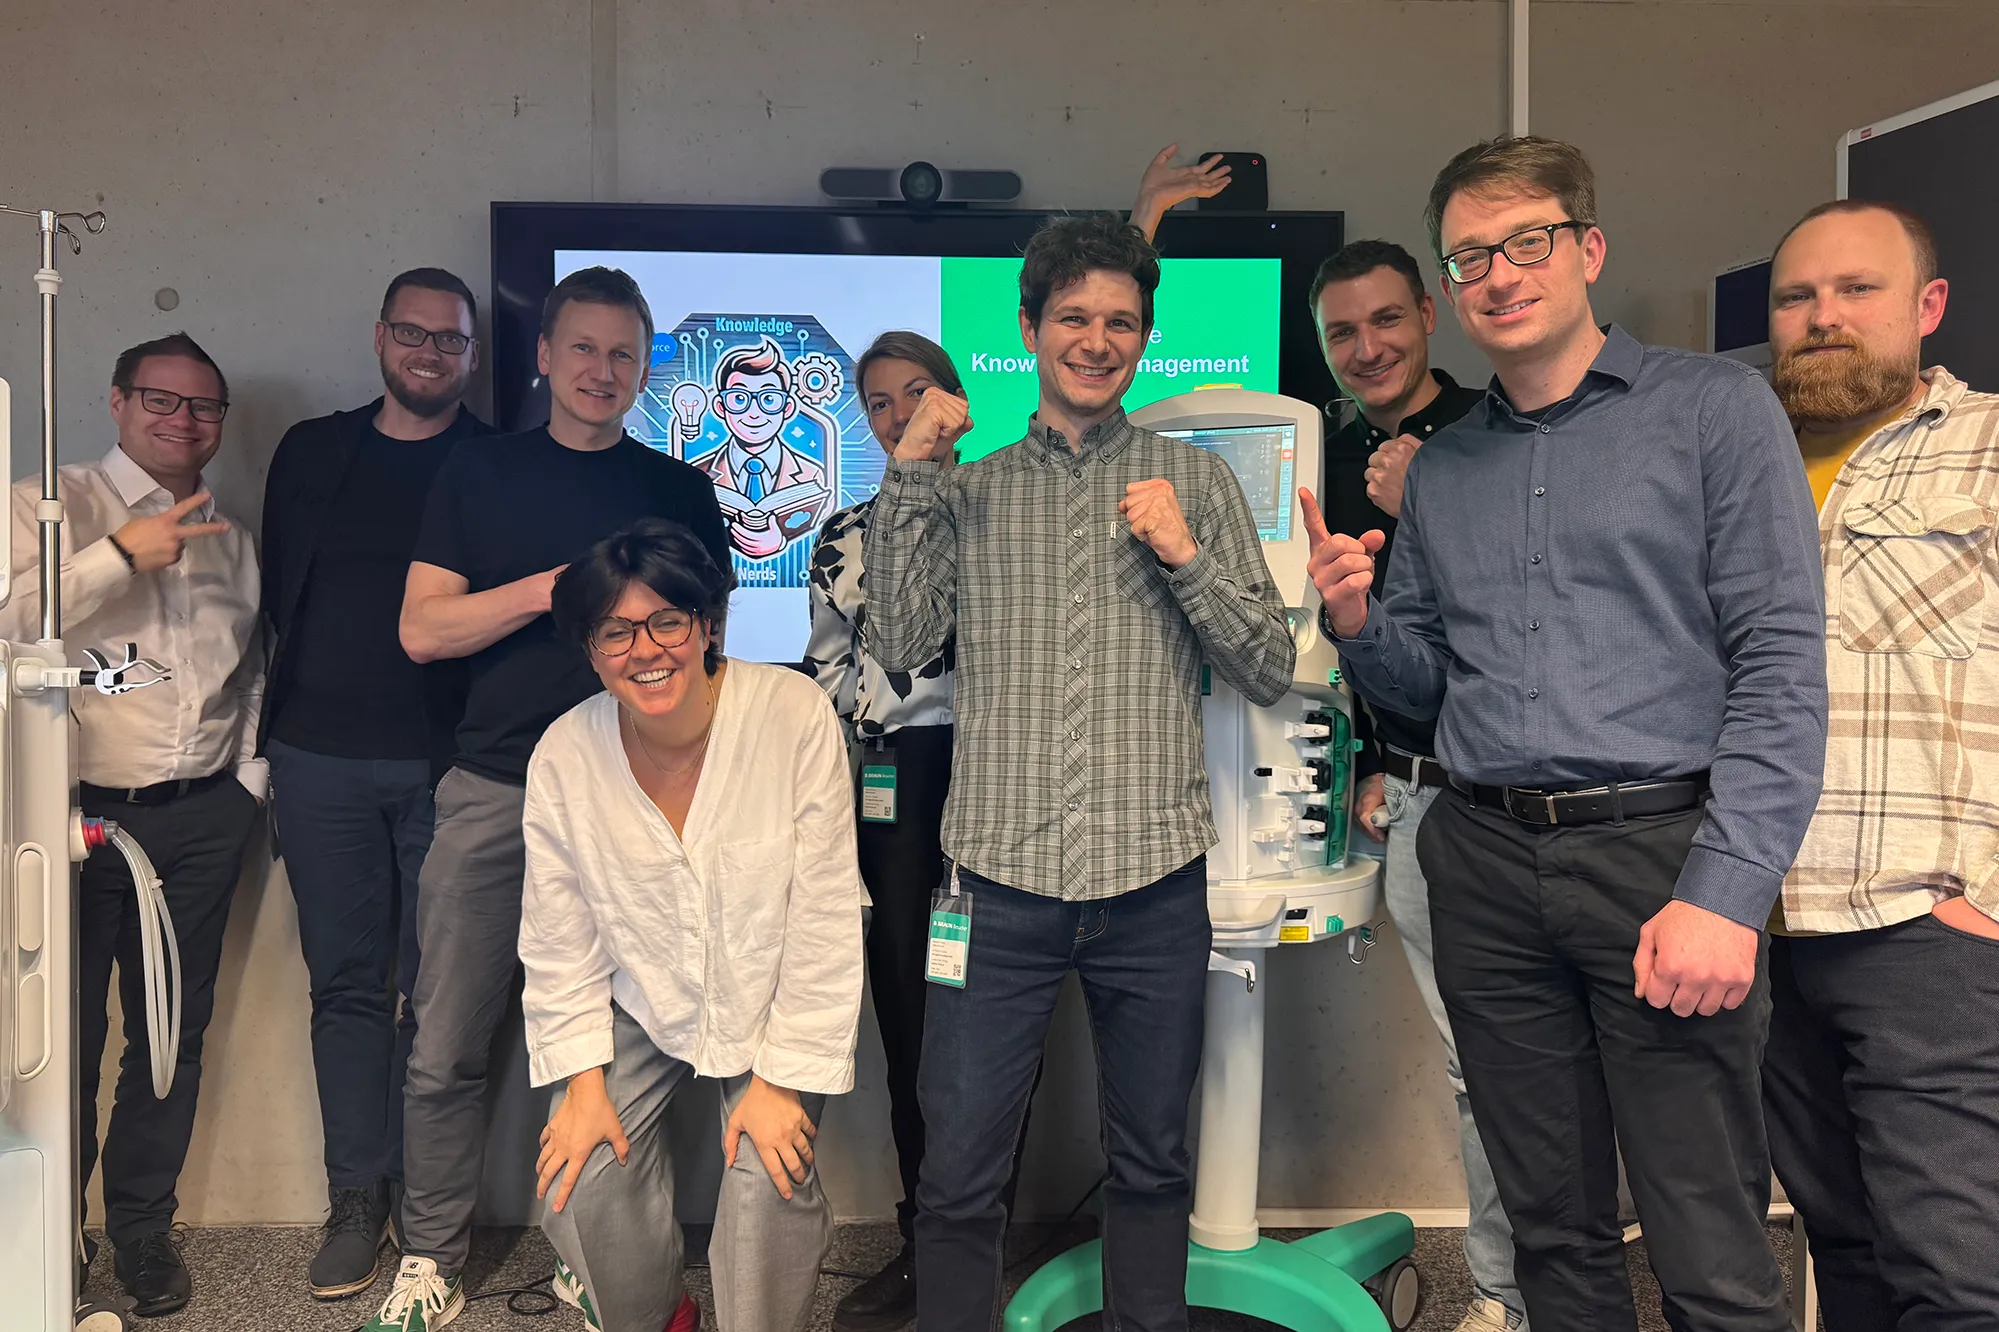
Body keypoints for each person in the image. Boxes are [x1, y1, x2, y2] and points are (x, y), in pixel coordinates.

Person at [1307, 136, 1827, 1331]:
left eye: (1527, 242)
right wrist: (1354, 622)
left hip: (1660, 861)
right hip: (1483, 864)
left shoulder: (1714, 412)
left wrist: (1729, 890)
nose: (1500, 273)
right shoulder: (1447, 469)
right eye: (1472, 254)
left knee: (1704, 1230)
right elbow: (1428, 687)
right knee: (1549, 1228)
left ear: (1587, 248)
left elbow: (1781, 670)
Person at [867, 212, 1294, 1332]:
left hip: (1153, 886)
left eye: (1120, 321)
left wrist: (1186, 557)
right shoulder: (971, 489)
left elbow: (1263, 663)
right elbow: (904, 646)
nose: (1097, 340)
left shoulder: (1192, 485)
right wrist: (911, 474)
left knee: (1151, 1165)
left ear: (1144, 337)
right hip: (994, 888)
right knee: (959, 1176)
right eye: (1073, 318)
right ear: (1029, 329)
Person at [365, 267, 730, 1332]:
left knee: (620, 1049)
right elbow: (423, 629)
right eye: (581, 349)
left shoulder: (680, 490)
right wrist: (557, 588)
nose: (600, 371)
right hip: (493, 791)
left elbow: (708, 655)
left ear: (644, 366)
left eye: (623, 354)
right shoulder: (477, 476)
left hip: (636, 800)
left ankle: (594, 1255)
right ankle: (431, 1256)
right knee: (446, 1042)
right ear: (542, 356)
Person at [522, 519, 865, 1332]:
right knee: (579, 1175)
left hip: (772, 994)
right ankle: (655, 1316)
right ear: (590, 649)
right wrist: (580, 1085)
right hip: (643, 994)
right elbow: (557, 934)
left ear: (708, 623)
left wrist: (780, 1084)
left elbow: (823, 911)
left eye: (666, 621)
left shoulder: (790, 712)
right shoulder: (563, 756)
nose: (645, 650)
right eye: (615, 632)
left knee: (764, 1179)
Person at [1761, 199, 1999, 1330]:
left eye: (1856, 290)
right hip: (1752, 924)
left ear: (1926, 306)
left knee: (1954, 1272)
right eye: (1797, 297)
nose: (1823, 319)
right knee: (1840, 1247)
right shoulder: (1734, 456)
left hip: (1925, 926)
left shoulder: (1990, 446)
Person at [0, 333, 263, 1317]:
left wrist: (250, 780)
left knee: (167, 1038)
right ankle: (48, 1239)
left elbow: (251, 666)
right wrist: (115, 558)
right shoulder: (41, 506)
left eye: (203, 406)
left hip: (196, 821)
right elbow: (8, 624)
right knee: (52, 1040)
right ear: (117, 402)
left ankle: (142, 1236)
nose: (181, 421)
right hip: (58, 822)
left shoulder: (231, 533)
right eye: (161, 399)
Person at [260, 267, 494, 1301]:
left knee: (441, 1005)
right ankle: (356, 1199)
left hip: (452, 768)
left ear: (473, 356)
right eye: (414, 333)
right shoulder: (314, 452)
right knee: (347, 990)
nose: (430, 352)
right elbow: (280, 593)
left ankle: (430, 1215)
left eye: (449, 340)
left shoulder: (499, 463)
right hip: (319, 763)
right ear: (379, 338)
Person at [1308, 239, 1524, 1332]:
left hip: (1507, 805)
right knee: (1472, 1068)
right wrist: (1367, 764)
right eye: (1341, 333)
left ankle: (1512, 1293)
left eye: (1386, 321)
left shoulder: (1496, 435)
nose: (1367, 348)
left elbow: (1521, 634)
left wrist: (1432, 491)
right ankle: (1504, 1289)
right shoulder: (1329, 452)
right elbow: (1349, 646)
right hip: (1402, 796)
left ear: (1429, 314)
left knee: (1511, 1071)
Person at [693, 336, 830, 559]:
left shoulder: (811, 475)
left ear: (787, 408)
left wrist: (782, 539)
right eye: (739, 398)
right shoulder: (696, 475)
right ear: (720, 407)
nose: (754, 412)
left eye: (769, 399)